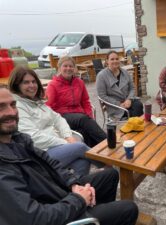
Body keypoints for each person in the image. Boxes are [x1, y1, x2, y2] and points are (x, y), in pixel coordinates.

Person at [0, 86, 139, 225]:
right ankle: (93, 213)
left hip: (58, 192)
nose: (11, 112)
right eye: (1, 107)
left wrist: (73, 184)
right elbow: (35, 218)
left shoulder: (18, 139)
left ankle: (97, 210)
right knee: (129, 209)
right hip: (55, 212)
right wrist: (79, 199)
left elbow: (51, 162)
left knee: (110, 175)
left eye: (13, 105)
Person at [8, 66, 91, 176]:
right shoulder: (18, 107)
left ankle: (75, 188)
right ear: (16, 85)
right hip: (40, 154)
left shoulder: (36, 102)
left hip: (55, 145)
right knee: (80, 147)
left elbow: (58, 119)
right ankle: (107, 162)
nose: (32, 85)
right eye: (26, 82)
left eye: (33, 81)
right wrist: (65, 143)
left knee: (82, 161)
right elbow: (33, 138)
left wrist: (68, 136)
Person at [46, 56, 106, 147]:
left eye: (71, 66)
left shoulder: (79, 82)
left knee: (85, 130)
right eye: (65, 66)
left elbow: (85, 101)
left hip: (80, 116)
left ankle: (96, 153)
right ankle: (108, 141)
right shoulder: (53, 85)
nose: (68, 68)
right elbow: (49, 107)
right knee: (84, 120)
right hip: (62, 116)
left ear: (74, 68)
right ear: (59, 67)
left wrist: (90, 117)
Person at [96, 50, 143, 120]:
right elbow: (102, 95)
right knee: (132, 112)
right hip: (114, 106)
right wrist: (118, 104)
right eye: (112, 59)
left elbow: (132, 88)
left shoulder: (124, 72)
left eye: (117, 59)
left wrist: (129, 99)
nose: (115, 61)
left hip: (128, 101)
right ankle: (132, 127)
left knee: (138, 105)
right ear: (107, 61)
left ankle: (136, 126)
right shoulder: (101, 76)